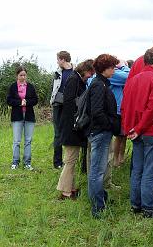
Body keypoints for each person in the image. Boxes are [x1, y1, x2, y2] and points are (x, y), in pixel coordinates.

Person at [121, 48, 153, 218]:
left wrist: (130, 128)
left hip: (134, 130)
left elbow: (124, 106)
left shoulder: (133, 80)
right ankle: (148, 207)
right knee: (150, 171)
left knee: (137, 168)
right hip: (149, 131)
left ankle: (135, 204)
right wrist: (139, 128)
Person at [86, 54, 122, 218]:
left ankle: (101, 198)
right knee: (97, 171)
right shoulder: (99, 85)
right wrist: (110, 125)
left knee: (97, 170)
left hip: (100, 131)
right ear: (105, 68)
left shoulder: (101, 83)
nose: (114, 70)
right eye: (113, 67)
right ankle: (97, 207)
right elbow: (97, 112)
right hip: (100, 132)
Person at [56, 59, 95, 200]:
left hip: (72, 126)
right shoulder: (74, 80)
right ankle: (65, 192)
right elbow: (69, 103)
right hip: (71, 127)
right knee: (70, 160)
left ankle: (70, 188)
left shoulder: (77, 79)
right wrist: (77, 120)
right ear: (85, 70)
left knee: (72, 159)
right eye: (91, 72)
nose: (91, 76)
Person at [7, 67, 39, 171]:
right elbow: (9, 100)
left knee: (28, 140)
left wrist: (27, 102)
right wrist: (20, 103)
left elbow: (35, 99)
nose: (23, 77)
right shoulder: (12, 86)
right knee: (16, 140)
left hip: (29, 116)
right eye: (21, 75)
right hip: (17, 116)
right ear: (17, 75)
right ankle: (15, 162)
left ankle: (27, 163)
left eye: (24, 75)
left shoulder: (30, 86)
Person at [51, 51, 74, 169]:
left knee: (69, 132)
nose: (57, 62)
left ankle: (69, 160)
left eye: (58, 59)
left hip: (70, 106)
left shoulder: (75, 72)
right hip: (58, 105)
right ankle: (57, 162)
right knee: (57, 133)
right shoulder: (57, 73)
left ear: (63, 59)